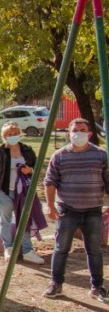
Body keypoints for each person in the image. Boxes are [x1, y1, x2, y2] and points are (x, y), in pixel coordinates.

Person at [43, 118, 109, 301]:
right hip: (67, 210)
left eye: (82, 129)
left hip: (93, 210)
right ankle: (55, 284)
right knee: (61, 248)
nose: (78, 133)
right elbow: (50, 182)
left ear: (89, 133)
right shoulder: (60, 155)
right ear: (68, 133)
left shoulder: (100, 155)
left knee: (94, 250)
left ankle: (97, 286)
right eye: (75, 130)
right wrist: (50, 206)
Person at [0, 122, 45, 265]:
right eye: (9, 134)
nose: (12, 136)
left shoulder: (27, 150)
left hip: (22, 191)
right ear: (4, 136)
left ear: (20, 134)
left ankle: (27, 250)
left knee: (23, 219)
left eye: (15, 133)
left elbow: (36, 167)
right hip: (2, 190)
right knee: (5, 218)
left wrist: (29, 170)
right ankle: (8, 248)